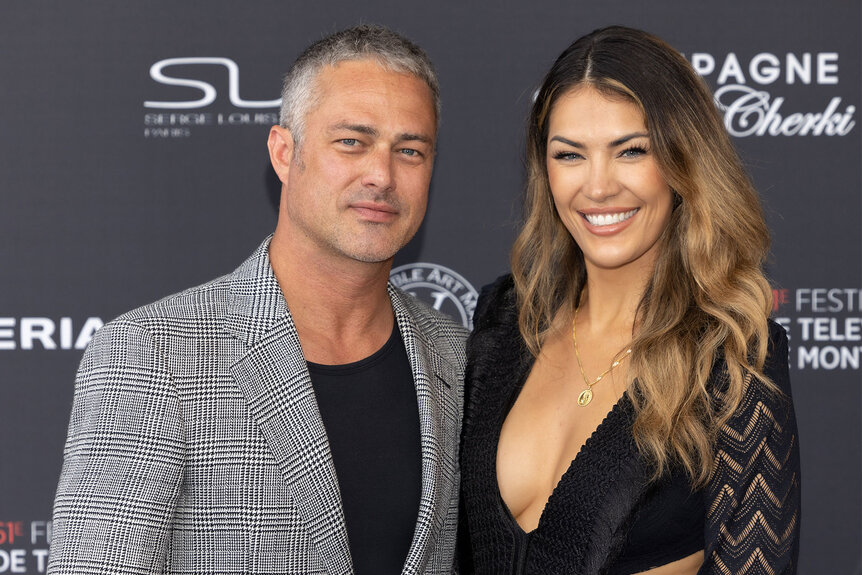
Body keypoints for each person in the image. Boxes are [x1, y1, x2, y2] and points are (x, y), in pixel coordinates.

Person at [48, 25, 468, 575]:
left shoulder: (459, 358)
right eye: (352, 142)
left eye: (409, 150)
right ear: (283, 152)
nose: (381, 175)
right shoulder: (149, 354)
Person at [459, 26, 800, 574]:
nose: (597, 186)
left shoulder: (732, 358)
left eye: (631, 151)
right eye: (570, 155)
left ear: (683, 161)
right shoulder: (504, 319)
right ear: (544, 172)